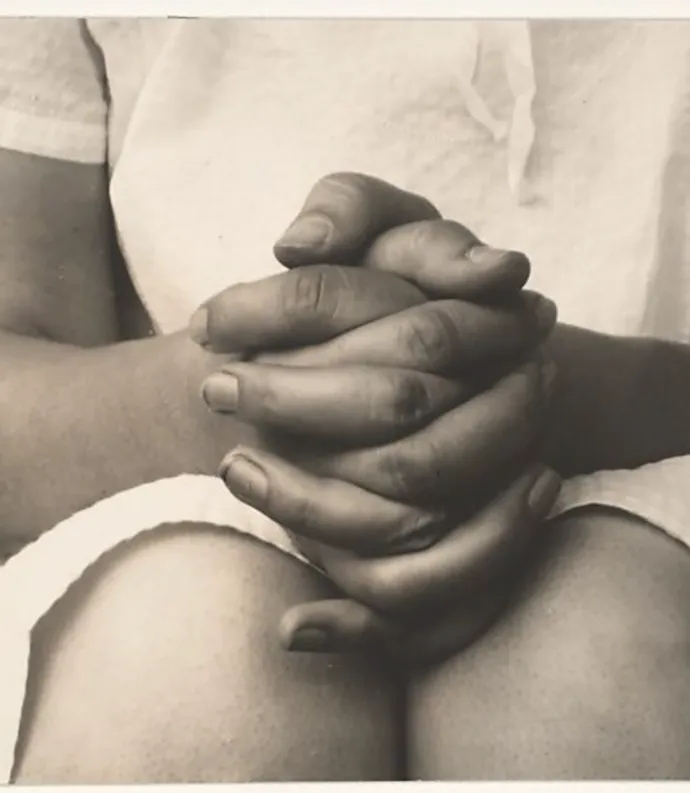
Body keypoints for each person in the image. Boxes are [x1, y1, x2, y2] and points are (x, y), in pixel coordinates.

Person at [0, 16, 689, 782]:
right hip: (170, 481)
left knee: (587, 659)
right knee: (192, 657)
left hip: (653, 455)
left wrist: (543, 398)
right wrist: (242, 400)